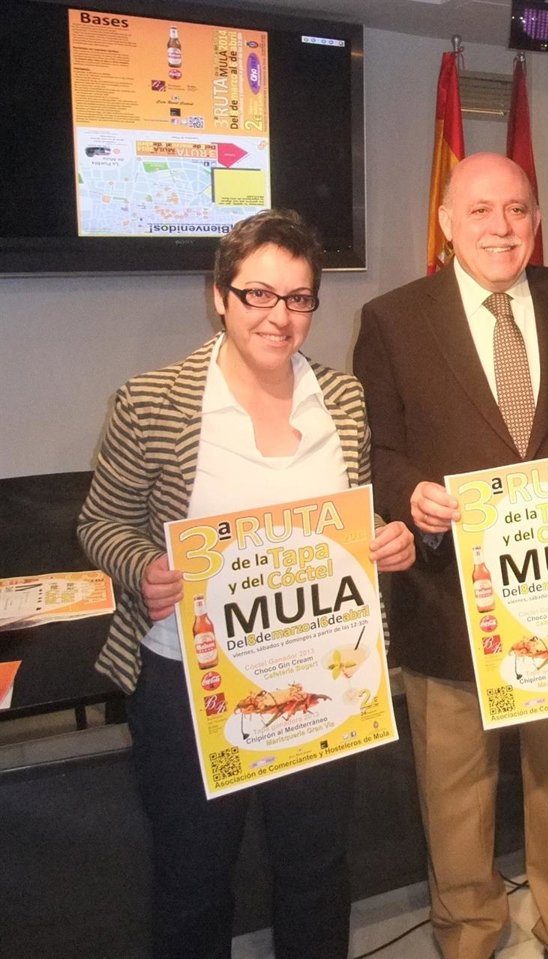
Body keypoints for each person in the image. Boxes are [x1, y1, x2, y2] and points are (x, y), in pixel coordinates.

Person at [77, 209, 416, 959]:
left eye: (298, 298)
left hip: (319, 675)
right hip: (190, 683)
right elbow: (100, 523)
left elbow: (355, 519)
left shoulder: (344, 399)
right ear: (220, 297)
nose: (279, 316)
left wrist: (385, 539)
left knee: (316, 867)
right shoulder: (154, 401)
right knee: (195, 876)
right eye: (258, 294)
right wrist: (144, 567)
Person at [354, 152, 548, 959]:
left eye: (517, 209)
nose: (501, 227)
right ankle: (470, 929)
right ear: (446, 222)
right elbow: (378, 448)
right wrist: (410, 494)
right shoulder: (392, 319)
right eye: (480, 210)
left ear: (536, 219)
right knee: (455, 787)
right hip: (447, 592)